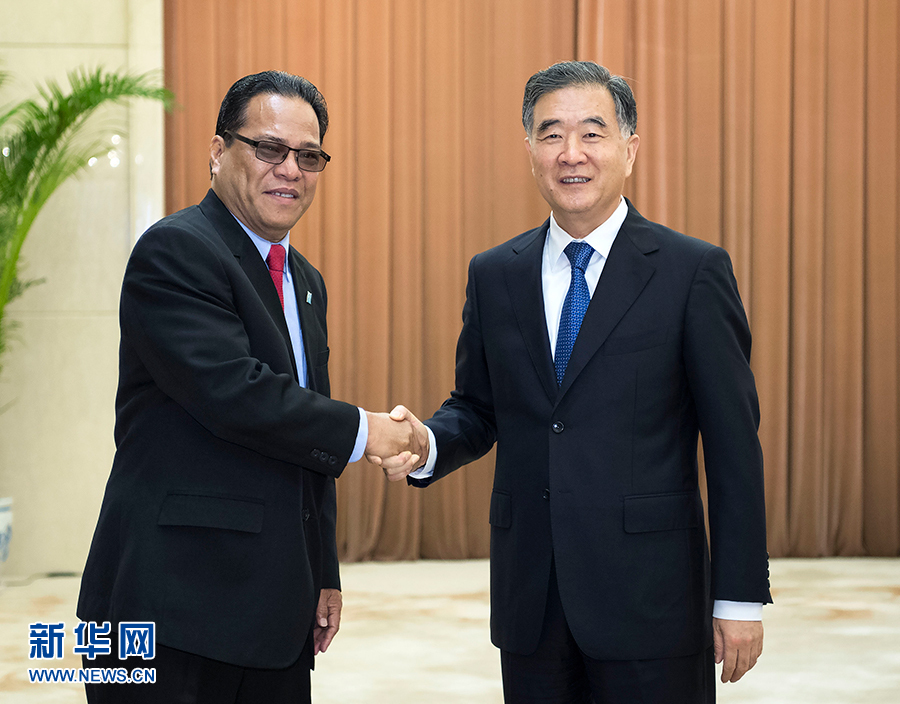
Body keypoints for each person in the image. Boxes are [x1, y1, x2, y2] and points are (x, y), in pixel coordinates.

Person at [379, 61, 771, 703]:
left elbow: (733, 446)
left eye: (592, 132)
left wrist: (738, 596)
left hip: (652, 601)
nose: (571, 153)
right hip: (531, 603)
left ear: (629, 149)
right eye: (551, 133)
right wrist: (428, 443)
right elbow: (477, 407)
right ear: (530, 150)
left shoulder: (691, 271)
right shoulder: (495, 274)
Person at [77, 70, 423, 703]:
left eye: (309, 156)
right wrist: (368, 430)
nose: (290, 169)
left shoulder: (305, 281)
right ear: (218, 151)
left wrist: (322, 570)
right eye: (268, 148)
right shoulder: (176, 250)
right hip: (168, 607)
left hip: (273, 613)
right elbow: (237, 395)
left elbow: (303, 435)